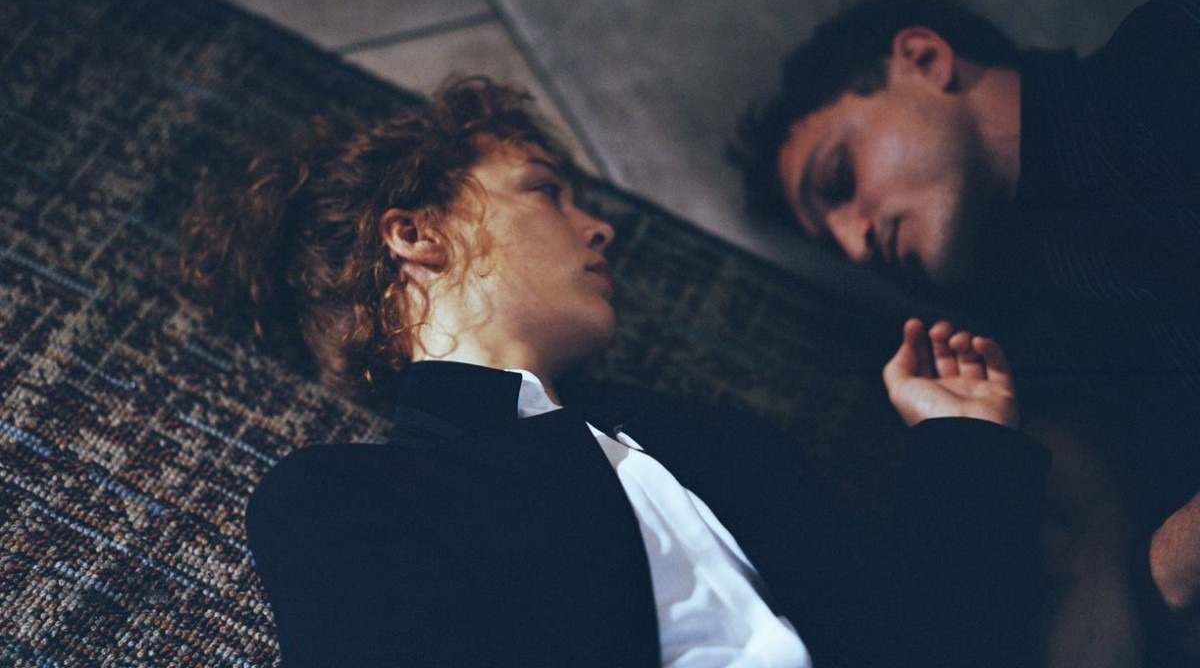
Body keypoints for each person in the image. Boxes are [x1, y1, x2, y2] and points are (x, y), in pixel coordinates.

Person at [179, 77, 1048, 667]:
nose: (600, 228)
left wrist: (960, 442)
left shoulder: (724, 442)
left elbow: (942, 644)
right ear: (415, 235)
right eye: (544, 189)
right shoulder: (340, 501)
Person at [734, 0, 1200, 664]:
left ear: (925, 59)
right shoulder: (1033, 338)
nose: (857, 245)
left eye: (839, 178)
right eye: (834, 245)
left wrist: (1166, 573)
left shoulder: (1171, 58)